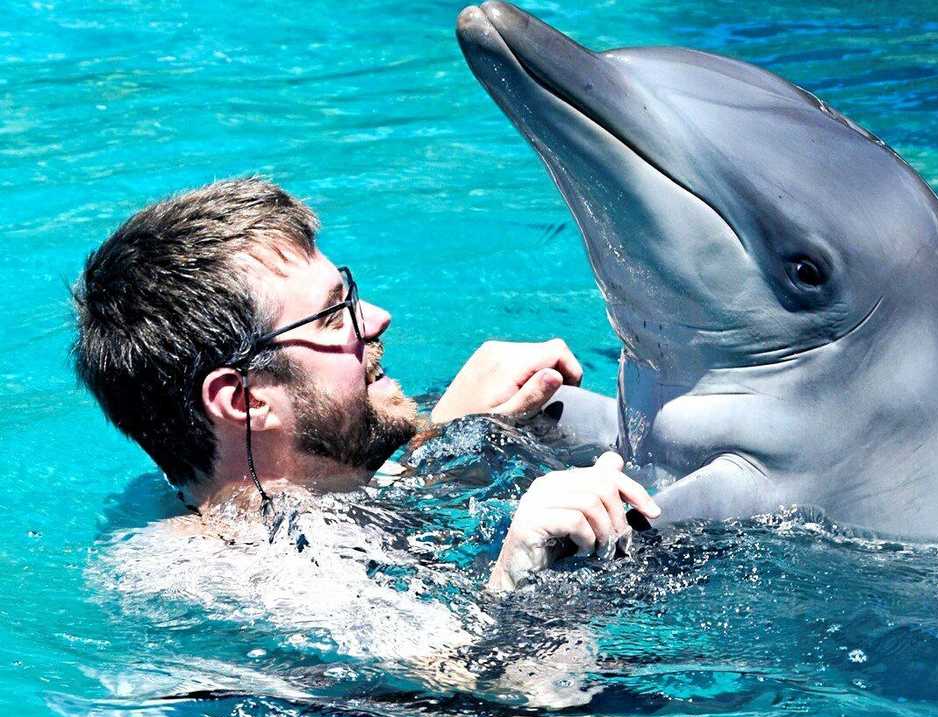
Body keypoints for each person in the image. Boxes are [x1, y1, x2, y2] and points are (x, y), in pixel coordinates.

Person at [72, 177, 659, 593]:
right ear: (245, 399)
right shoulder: (210, 576)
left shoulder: (284, 499)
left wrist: (450, 437)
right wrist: (527, 567)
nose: (376, 317)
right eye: (333, 315)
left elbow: (351, 513)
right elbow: (482, 697)